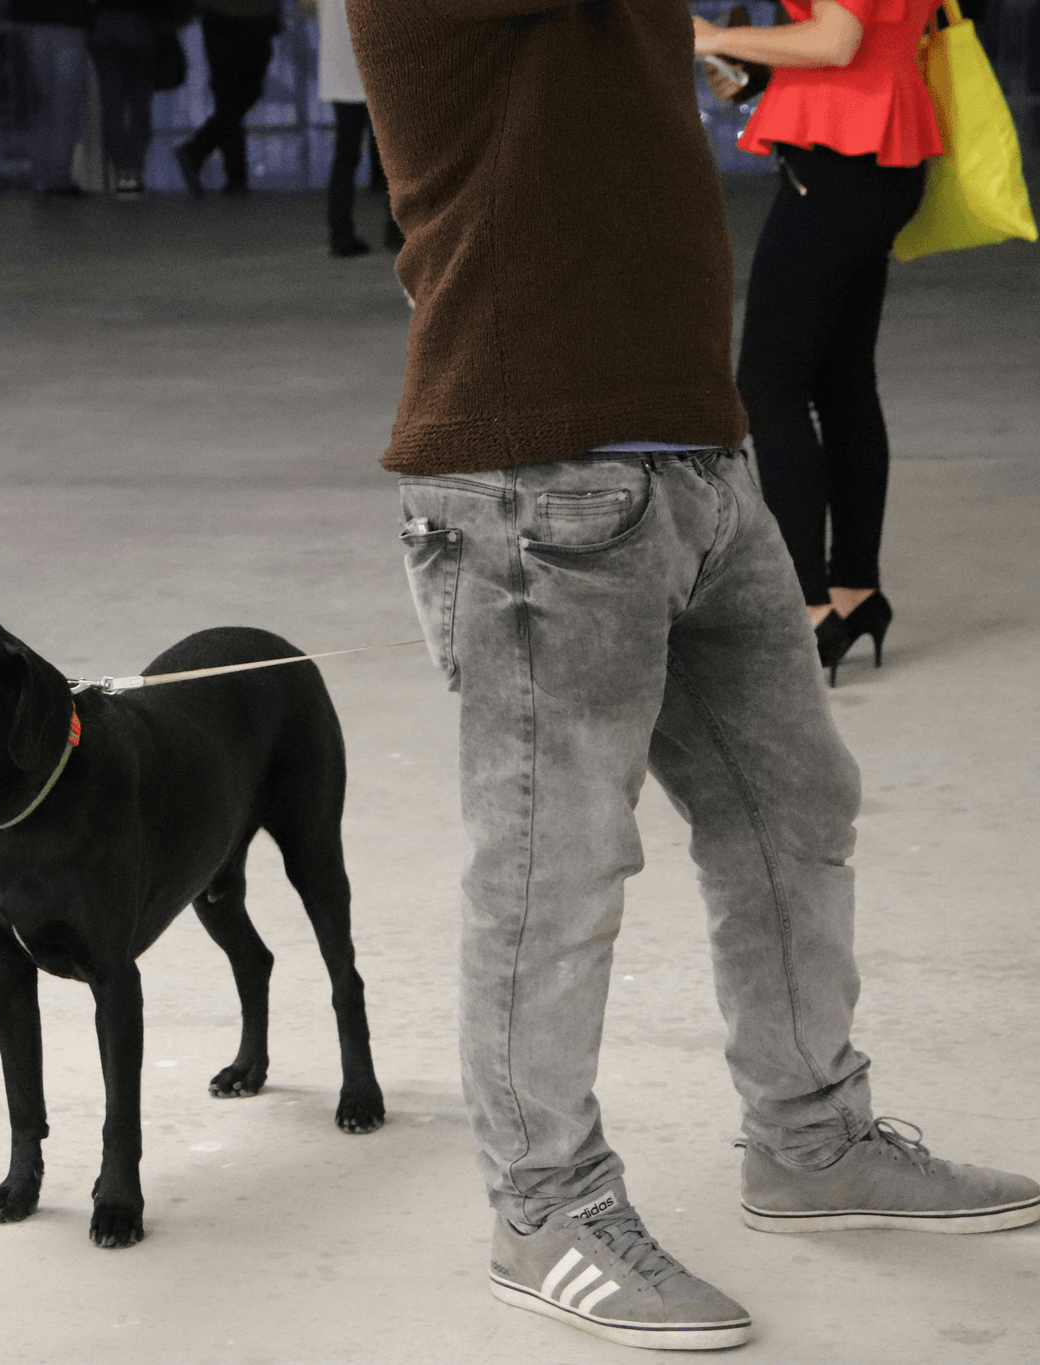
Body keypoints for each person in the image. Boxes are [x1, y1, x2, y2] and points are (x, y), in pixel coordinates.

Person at [346, 0, 1039, 1352]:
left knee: (795, 805)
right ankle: (543, 1205)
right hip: (534, 478)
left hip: (695, 457)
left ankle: (811, 1138)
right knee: (557, 866)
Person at [695, 0, 941, 683]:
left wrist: (716, 37)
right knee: (841, 383)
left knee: (769, 389)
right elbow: (856, 41)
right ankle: (855, 592)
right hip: (871, 152)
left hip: (839, 162)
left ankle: (809, 610)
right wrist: (758, 67)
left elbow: (836, 40)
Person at [306, 0, 395, 256]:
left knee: (346, 155)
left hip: (339, 68)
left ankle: (340, 233)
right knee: (393, 158)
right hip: (380, 65)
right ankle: (396, 230)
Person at [172, 0, 277, 197]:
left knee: (231, 99)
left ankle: (204, 156)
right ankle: (231, 175)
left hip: (226, 17)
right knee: (235, 99)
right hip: (251, 17)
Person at [87, 0, 172, 195]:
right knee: (139, 107)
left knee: (113, 107)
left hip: (105, 23)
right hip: (139, 22)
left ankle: (121, 171)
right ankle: (132, 173)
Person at [9, 0, 89, 195]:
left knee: (43, 104)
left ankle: (43, 173)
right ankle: (58, 175)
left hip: (32, 22)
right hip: (69, 21)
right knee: (65, 103)